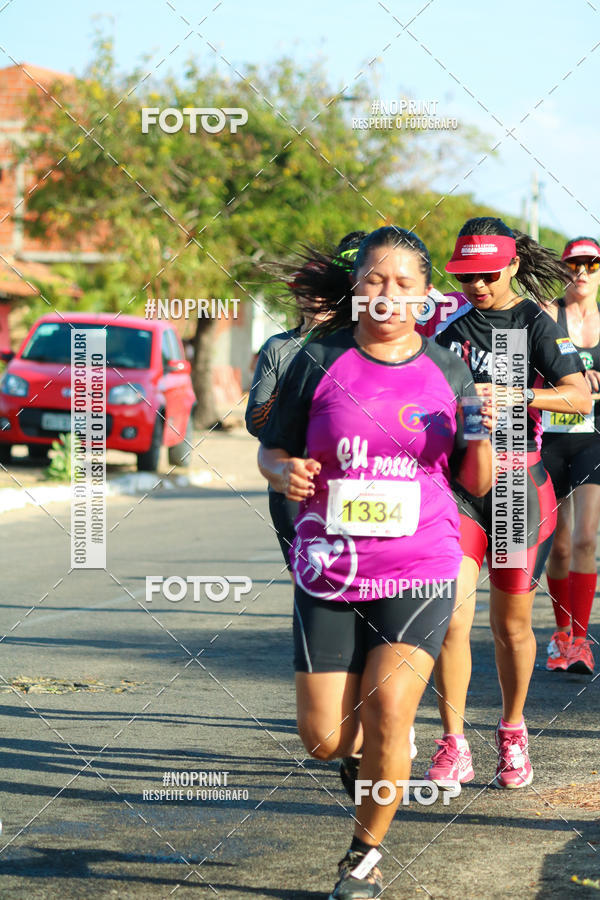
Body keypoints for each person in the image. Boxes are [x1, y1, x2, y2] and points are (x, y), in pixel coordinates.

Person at [257, 226, 493, 898]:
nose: (387, 294)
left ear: (426, 295)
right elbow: (272, 448)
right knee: (325, 739)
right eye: (373, 281)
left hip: (419, 564)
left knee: (393, 709)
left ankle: (362, 859)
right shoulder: (317, 359)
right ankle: (358, 759)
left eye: (403, 283)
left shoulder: (448, 369)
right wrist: (285, 472)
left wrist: (480, 433)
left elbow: (475, 481)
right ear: (356, 291)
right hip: (330, 567)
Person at [424, 217, 592, 792]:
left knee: (511, 627)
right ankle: (453, 743)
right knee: (450, 619)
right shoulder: (448, 324)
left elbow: (578, 396)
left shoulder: (534, 323)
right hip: (460, 487)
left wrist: (520, 393)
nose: (477, 285)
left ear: (514, 265)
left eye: (488, 274)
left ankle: (513, 731)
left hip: (520, 488)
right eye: (467, 275)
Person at [246, 232, 367, 572]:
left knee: (356, 573)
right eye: (304, 291)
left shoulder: (357, 346)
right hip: (292, 475)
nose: (312, 300)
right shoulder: (277, 348)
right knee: (307, 574)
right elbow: (255, 422)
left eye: (319, 292)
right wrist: (295, 400)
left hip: (347, 477)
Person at [541, 236, 600, 675]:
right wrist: (565, 385)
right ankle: (560, 634)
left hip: (592, 439)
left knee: (585, 540)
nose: (581, 273)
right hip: (550, 440)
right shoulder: (546, 313)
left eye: (591, 265)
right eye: (573, 265)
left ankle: (581, 639)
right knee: (558, 546)